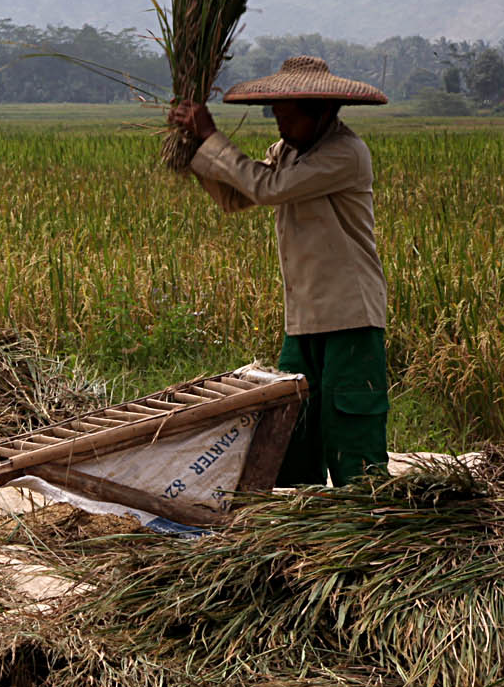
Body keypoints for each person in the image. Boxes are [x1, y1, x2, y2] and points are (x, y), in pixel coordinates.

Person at [166, 55, 389, 486]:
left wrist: (212, 135)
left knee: (351, 424)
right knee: (292, 422)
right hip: (303, 315)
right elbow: (237, 198)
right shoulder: (285, 152)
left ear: (320, 111)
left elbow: (269, 189)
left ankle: (364, 515)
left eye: (287, 118)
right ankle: (298, 516)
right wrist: (194, 150)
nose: (281, 128)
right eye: (277, 118)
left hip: (349, 315)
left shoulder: (344, 153)